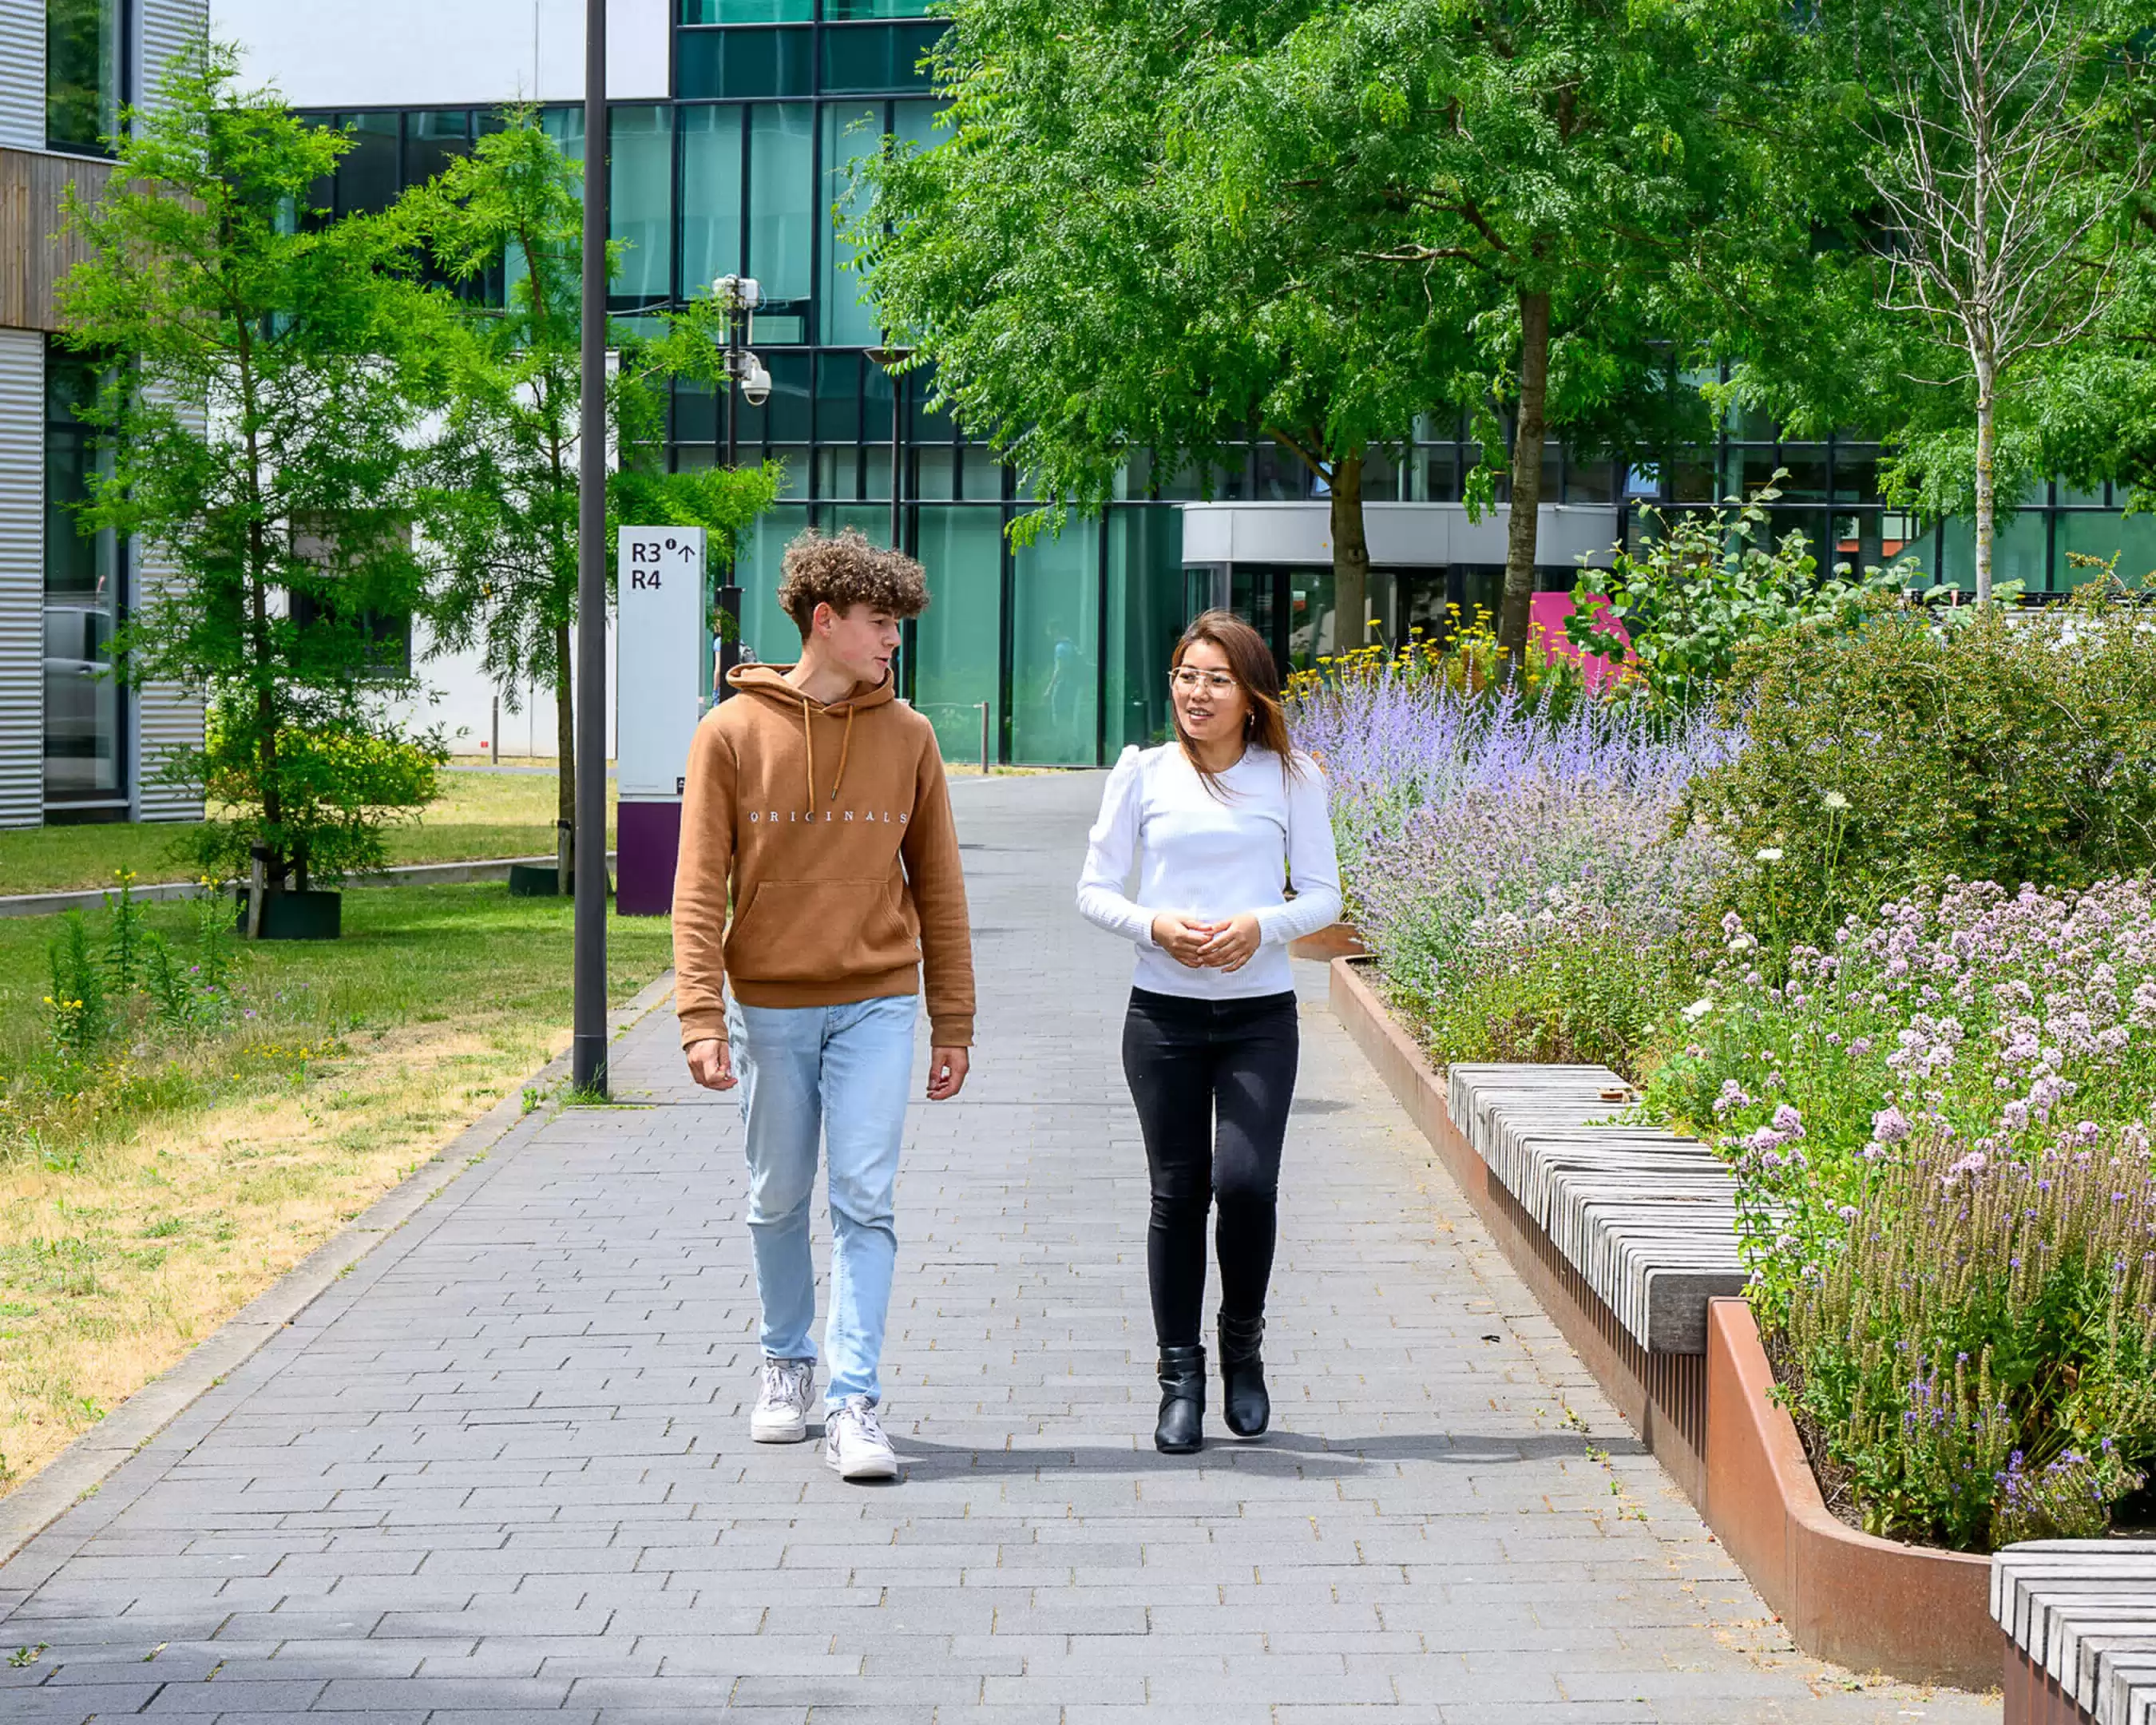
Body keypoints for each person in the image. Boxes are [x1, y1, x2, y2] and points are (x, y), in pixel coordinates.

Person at [674, 527, 976, 1483]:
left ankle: (854, 1401)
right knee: (776, 1196)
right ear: (824, 620)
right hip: (769, 1006)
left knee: (864, 1200)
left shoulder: (911, 736)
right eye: (881, 624)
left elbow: (941, 888)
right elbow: (696, 890)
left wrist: (953, 1021)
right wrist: (698, 1015)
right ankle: (784, 1362)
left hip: (879, 1002)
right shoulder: (728, 733)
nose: (894, 641)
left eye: (898, 625)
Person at [1076, 610, 1342, 1453]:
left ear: (1250, 692)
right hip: (1163, 1017)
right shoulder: (1142, 774)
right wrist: (1153, 926)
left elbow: (1326, 897)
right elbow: (1094, 888)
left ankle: (1245, 1348)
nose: (1197, 691)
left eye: (1216, 678)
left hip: (1260, 1017)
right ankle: (1178, 1380)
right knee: (1176, 1195)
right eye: (1187, 674)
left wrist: (1260, 927)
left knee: (1249, 1183)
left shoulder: (1293, 778)